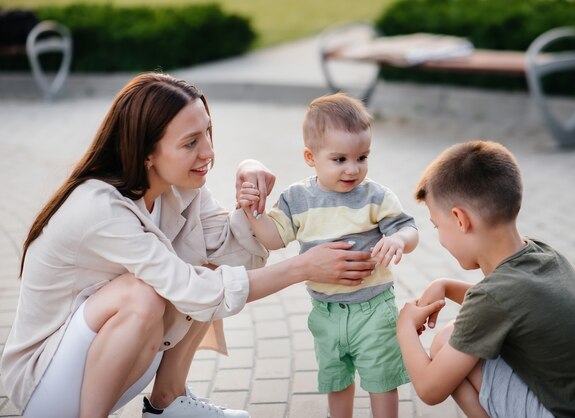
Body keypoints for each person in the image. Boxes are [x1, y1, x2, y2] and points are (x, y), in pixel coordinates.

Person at [0, 73, 377, 418]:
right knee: (142, 295)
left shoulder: (178, 188)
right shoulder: (98, 207)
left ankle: (167, 402)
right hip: (45, 381)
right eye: (190, 143)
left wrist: (249, 188)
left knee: (204, 268)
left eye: (208, 133)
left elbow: (234, 256)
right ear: (147, 152)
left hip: (102, 365)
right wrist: (302, 268)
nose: (209, 152)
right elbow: (195, 292)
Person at [396, 140, 575, 417]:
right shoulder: (542, 253)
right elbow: (508, 307)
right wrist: (442, 286)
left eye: (437, 226)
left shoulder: (495, 297)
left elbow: (430, 389)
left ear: (460, 219)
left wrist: (405, 327)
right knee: (466, 337)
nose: (440, 238)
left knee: (446, 343)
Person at [237, 92, 419, 418]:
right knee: (335, 379)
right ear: (311, 157)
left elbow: (409, 229)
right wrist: (252, 211)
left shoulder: (375, 196)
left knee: (381, 379)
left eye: (362, 157)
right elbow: (274, 238)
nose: (353, 169)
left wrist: (400, 240)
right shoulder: (298, 198)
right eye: (340, 160)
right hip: (326, 311)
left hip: (374, 308)